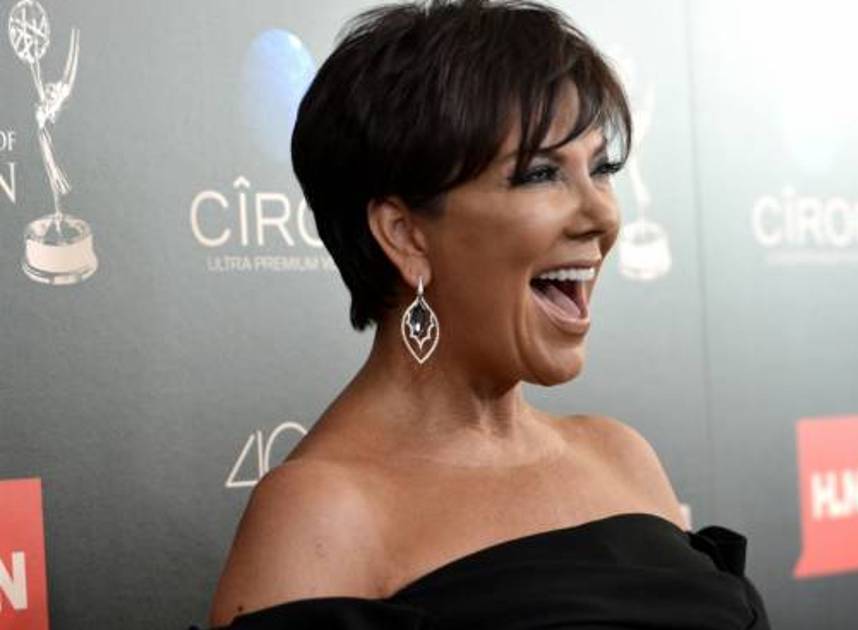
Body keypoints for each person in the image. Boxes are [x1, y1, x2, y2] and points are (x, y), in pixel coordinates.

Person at [198, 1, 771, 628]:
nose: (603, 216)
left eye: (601, 169)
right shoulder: (321, 515)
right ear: (405, 235)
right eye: (541, 173)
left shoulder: (623, 455)